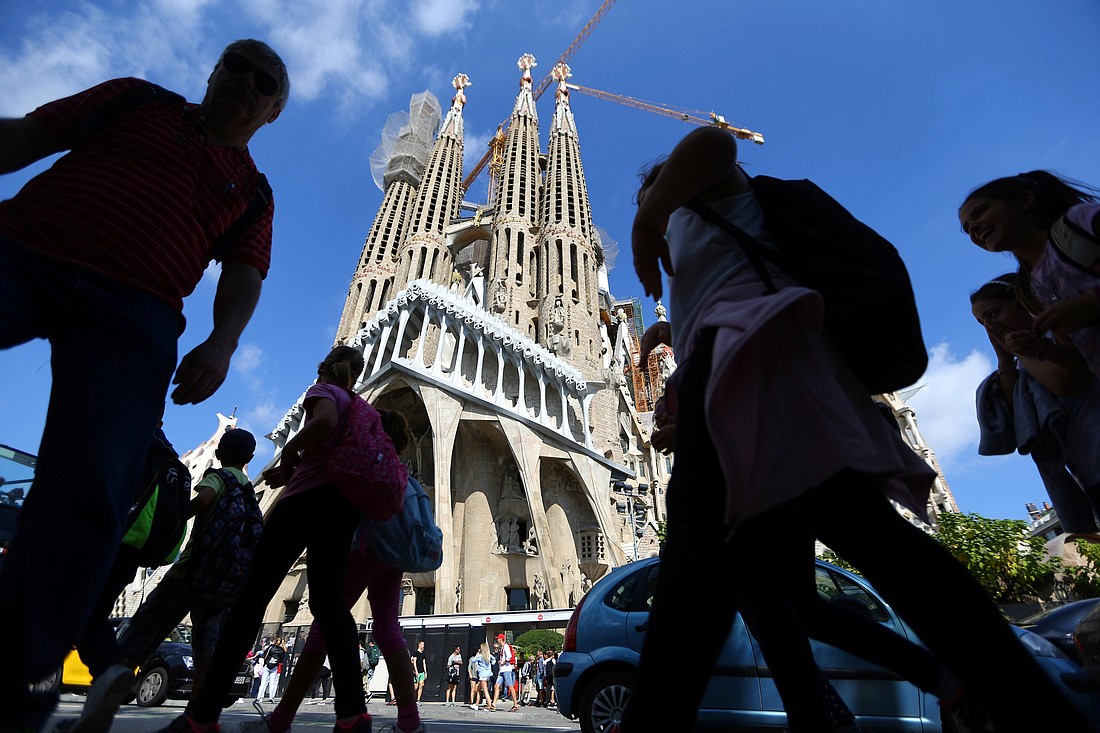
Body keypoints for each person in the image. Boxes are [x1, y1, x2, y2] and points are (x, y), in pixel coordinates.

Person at [618, 126, 1100, 733]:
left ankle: (1022, 705)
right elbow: (725, 288)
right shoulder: (697, 233)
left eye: (648, 197)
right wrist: (673, 336)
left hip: (758, 364)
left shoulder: (700, 192)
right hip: (745, 371)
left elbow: (714, 143)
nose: (647, 214)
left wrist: (647, 219)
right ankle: (1012, 700)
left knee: (710, 573)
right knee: (802, 566)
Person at [0, 38, 288, 731]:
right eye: (237, 67)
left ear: (272, 112)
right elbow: (33, 133)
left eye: (265, 82)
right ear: (214, 74)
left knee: (84, 492)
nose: (246, 83)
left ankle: (13, 696)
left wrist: (222, 343)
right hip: (27, 249)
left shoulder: (251, 190)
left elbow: (245, 273)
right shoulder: (139, 100)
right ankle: (98, 668)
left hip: (135, 310)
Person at [161, 346, 395, 733]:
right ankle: (353, 713)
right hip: (342, 508)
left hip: (305, 502)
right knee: (330, 605)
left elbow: (321, 423)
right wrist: (291, 468)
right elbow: (331, 449)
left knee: (251, 598)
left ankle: (201, 717)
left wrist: (288, 452)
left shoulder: (323, 392)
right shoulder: (363, 407)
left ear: (324, 368)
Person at [235, 409, 423, 733]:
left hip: (363, 548)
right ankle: (410, 723)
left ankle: (282, 720)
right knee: (389, 631)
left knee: (324, 625)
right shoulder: (403, 472)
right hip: (394, 555)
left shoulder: (371, 458)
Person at [61, 427, 260, 733]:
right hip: (221, 581)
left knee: (141, 634)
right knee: (207, 648)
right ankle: (198, 718)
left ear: (220, 454)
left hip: (190, 572)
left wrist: (179, 514)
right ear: (249, 458)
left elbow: (204, 500)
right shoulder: (248, 487)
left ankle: (99, 710)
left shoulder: (218, 478)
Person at [971, 273, 1100, 534]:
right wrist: (1006, 361)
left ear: (1022, 303)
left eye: (993, 313)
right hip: (1088, 472)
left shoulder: (1058, 338)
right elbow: (1015, 415)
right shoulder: (1023, 365)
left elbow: (1065, 384)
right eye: (981, 321)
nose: (989, 326)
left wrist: (1020, 350)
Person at [960, 171, 1100, 380]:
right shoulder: (1029, 288)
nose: (974, 229)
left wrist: (1093, 305)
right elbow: (1083, 363)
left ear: (1025, 200)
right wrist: (1042, 349)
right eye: (967, 228)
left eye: (980, 212)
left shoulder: (1077, 225)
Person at [258, 637, 287, 703]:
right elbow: (284, 652)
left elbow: (265, 652)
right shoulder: (281, 650)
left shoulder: (271, 647)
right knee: (272, 683)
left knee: (264, 682)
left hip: (267, 665)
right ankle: (271, 697)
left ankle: (259, 697)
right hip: (275, 666)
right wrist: (283, 644)